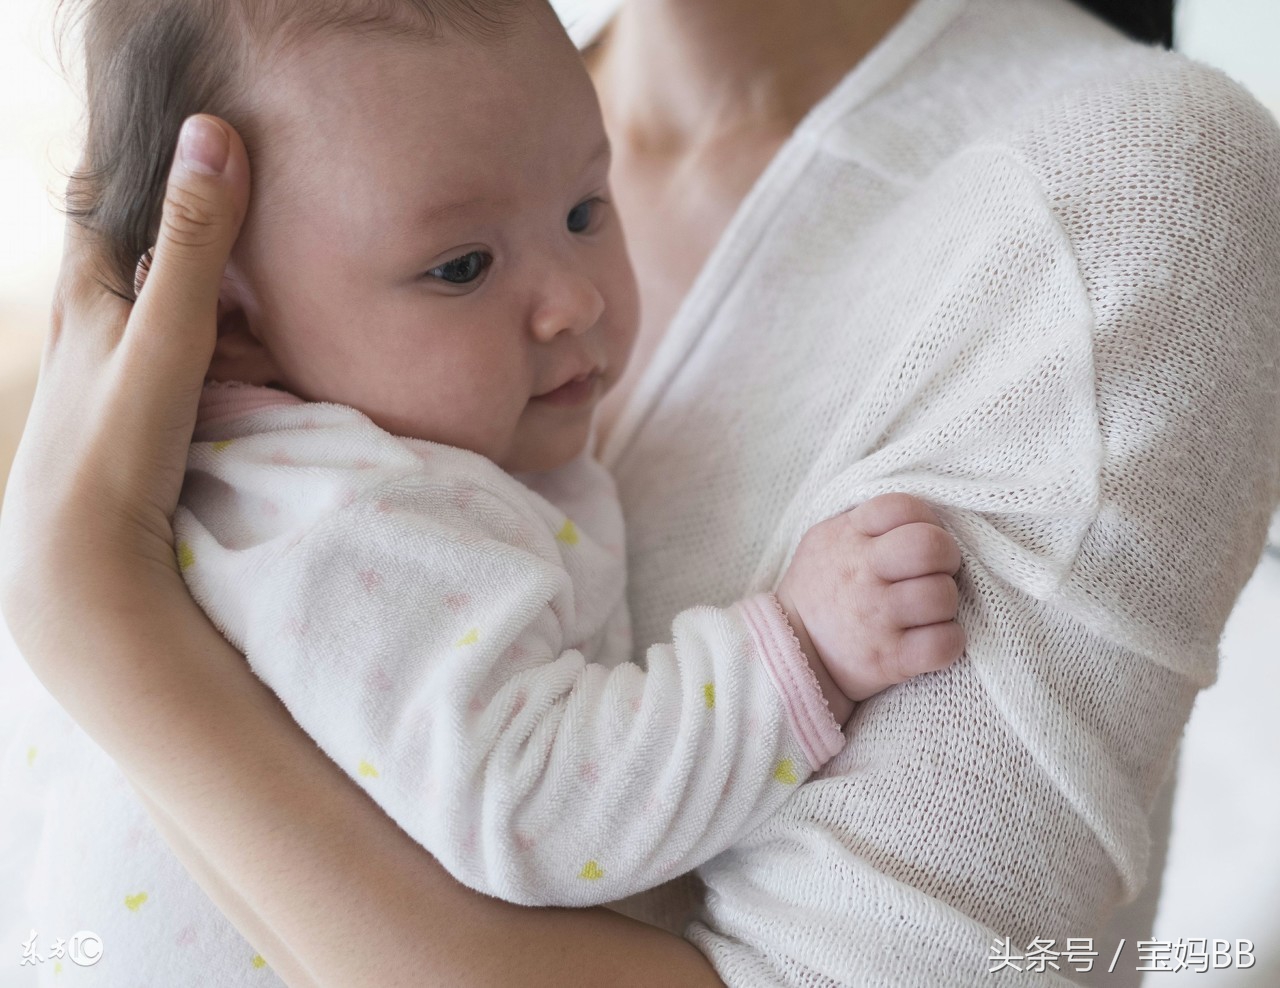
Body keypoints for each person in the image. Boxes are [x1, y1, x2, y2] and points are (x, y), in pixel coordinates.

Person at [3, 0, 1277, 983]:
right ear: (233, 312)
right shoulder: (347, 149)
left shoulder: (1121, 191)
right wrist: (786, 657)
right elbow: (537, 787)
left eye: (583, 209)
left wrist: (97, 620)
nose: (576, 302)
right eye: (457, 267)